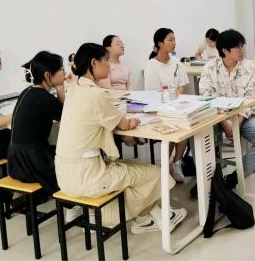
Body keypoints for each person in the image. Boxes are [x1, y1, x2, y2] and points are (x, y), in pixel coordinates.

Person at [55, 43, 186, 233]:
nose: (109, 65)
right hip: (89, 176)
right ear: (94, 63)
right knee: (155, 173)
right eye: (105, 60)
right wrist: (133, 120)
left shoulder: (74, 88)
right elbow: (124, 125)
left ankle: (145, 216)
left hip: (64, 173)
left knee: (136, 166)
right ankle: (144, 219)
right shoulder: (96, 95)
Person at [199, 29, 255, 188]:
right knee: (199, 137)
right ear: (225, 51)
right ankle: (207, 180)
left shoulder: (248, 67)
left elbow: (253, 97)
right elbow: (207, 97)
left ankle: (237, 175)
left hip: (243, 116)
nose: (242, 50)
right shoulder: (210, 68)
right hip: (216, 117)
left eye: (242, 45)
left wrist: (237, 123)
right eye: (238, 47)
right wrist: (225, 124)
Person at [7, 51, 65, 195]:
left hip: (15, 161)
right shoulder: (45, 99)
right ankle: (71, 201)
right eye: (61, 69)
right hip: (34, 163)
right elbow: (67, 118)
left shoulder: (27, 91)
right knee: (72, 160)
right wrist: (61, 88)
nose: (64, 72)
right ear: (47, 75)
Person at [144, 28, 190, 183]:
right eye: (170, 40)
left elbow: (182, 86)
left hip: (177, 105)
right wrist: (171, 101)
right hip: (160, 108)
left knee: (185, 123)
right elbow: (153, 94)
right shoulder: (151, 66)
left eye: (174, 39)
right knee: (174, 125)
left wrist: (175, 100)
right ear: (160, 43)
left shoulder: (176, 62)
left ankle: (176, 161)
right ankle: (164, 166)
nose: (174, 42)